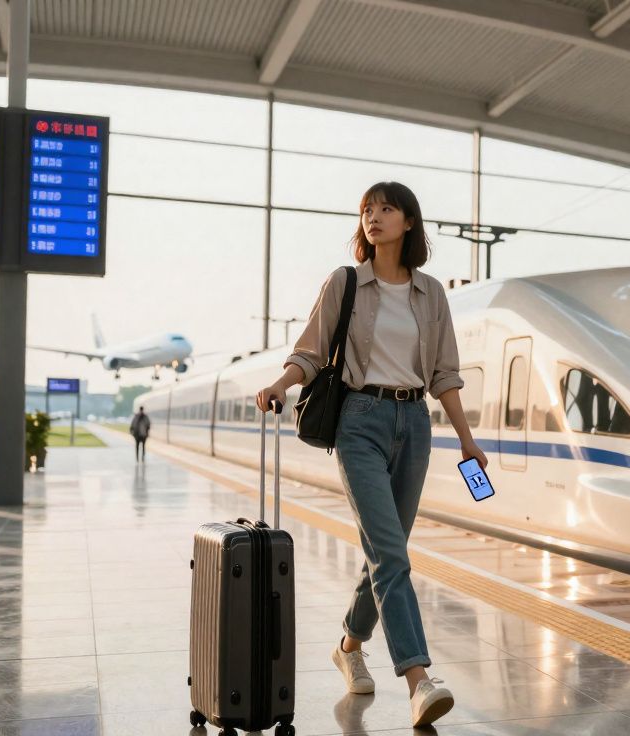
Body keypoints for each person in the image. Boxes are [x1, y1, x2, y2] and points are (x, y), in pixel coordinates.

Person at [257, 181, 486, 728]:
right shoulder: (346, 283)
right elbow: (311, 350)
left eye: (386, 208)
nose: (374, 217)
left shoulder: (431, 293)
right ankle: (419, 679)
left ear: (409, 222)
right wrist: (282, 383)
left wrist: (467, 438)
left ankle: (349, 645)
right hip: (360, 422)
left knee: (387, 552)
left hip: (415, 422)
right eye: (366, 210)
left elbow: (445, 375)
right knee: (391, 554)